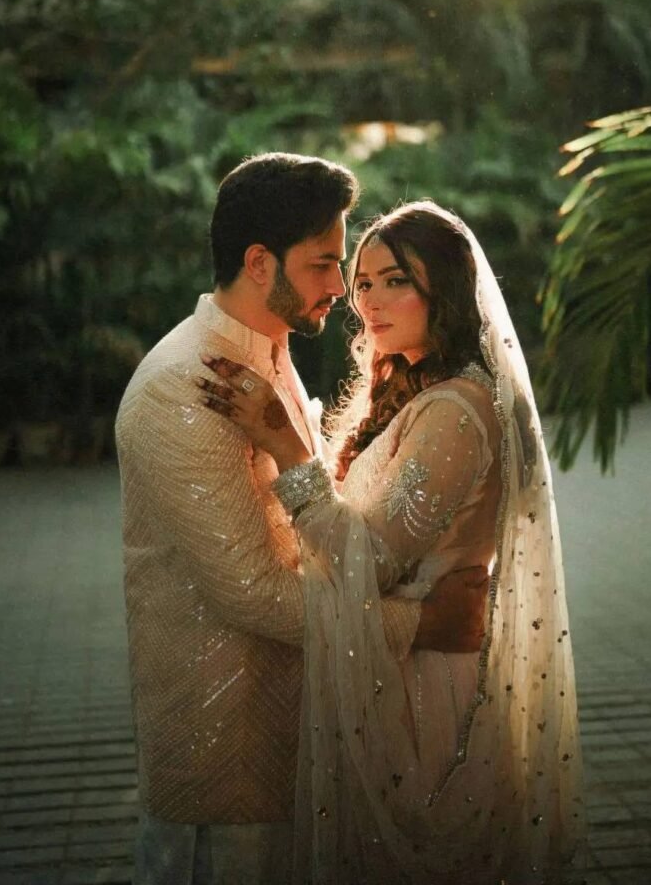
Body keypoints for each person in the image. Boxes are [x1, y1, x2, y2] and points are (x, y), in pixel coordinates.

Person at [115, 155, 488, 885]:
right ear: (260, 263)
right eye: (324, 264)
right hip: (226, 755)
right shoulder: (185, 388)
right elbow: (253, 594)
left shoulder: (267, 356)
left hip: (303, 736)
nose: (343, 288)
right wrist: (421, 625)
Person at [201, 199, 586, 884]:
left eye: (395, 281)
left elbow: (373, 562)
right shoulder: (417, 388)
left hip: (427, 688)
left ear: (446, 289)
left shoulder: (457, 411)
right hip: (395, 664)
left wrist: (288, 450)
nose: (370, 301)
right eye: (364, 283)